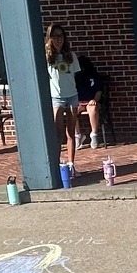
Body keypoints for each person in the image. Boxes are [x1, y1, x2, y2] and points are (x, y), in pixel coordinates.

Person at [46, 24, 80, 175]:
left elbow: (74, 76)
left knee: (71, 133)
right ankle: (58, 166)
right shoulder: (47, 57)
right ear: (50, 38)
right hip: (56, 98)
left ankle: (71, 165)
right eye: (55, 36)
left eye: (61, 36)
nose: (59, 39)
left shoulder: (70, 56)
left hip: (72, 95)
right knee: (58, 134)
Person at [74, 52, 104, 149]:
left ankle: (94, 134)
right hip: (79, 101)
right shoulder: (75, 77)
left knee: (92, 109)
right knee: (72, 111)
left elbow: (99, 91)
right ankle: (78, 135)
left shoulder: (94, 76)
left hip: (91, 101)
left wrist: (94, 100)